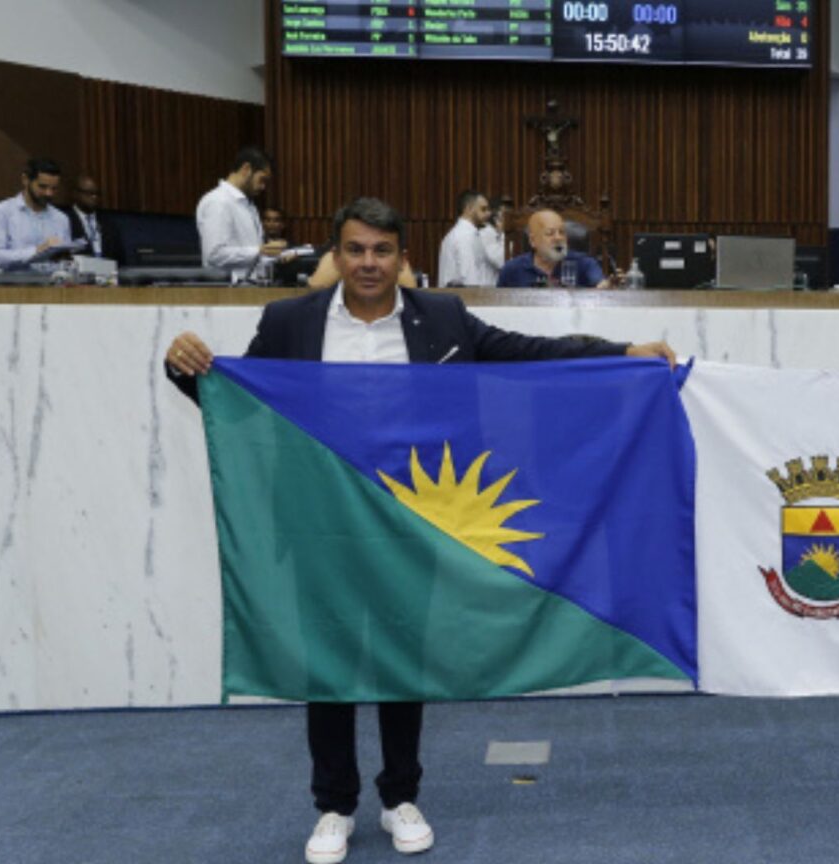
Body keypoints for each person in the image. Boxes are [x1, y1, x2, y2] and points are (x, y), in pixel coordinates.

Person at [163, 197, 675, 864]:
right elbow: (241, 396)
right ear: (335, 255)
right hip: (323, 522)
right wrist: (185, 366)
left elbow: (526, 353)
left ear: (404, 257)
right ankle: (333, 806)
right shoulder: (289, 321)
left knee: (405, 658)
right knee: (330, 666)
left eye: (382, 250)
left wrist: (622, 352)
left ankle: (401, 795)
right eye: (355, 250)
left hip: (417, 521)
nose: (369, 263)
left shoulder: (442, 319)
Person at [196, 146, 285, 282]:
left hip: (250, 287)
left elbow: (253, 256)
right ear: (246, 169)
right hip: (228, 294)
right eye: (262, 179)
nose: (263, 187)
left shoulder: (249, 205)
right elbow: (214, 255)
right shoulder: (218, 201)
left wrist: (277, 256)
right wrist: (260, 251)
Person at [0, 157, 73, 272]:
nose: (49, 193)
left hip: (53, 286)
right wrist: (37, 251)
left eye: (54, 189)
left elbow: (65, 263)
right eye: (42, 187)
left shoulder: (62, 219)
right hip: (14, 287)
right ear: (25, 180)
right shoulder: (1, 212)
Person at [496, 209, 610, 289]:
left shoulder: (583, 263)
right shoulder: (512, 270)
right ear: (533, 241)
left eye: (562, 232)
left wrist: (603, 285)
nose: (558, 238)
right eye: (550, 233)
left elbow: (600, 283)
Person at [437, 189, 505, 287]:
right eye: (483, 209)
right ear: (468, 209)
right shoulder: (464, 236)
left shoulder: (467, 233)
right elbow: (469, 278)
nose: (488, 214)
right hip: (465, 299)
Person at [64, 174, 125, 265]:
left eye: (97, 194)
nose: (94, 197)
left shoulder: (108, 223)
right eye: (89, 193)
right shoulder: (65, 220)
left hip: (108, 275)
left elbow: (121, 258)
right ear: (75, 194)